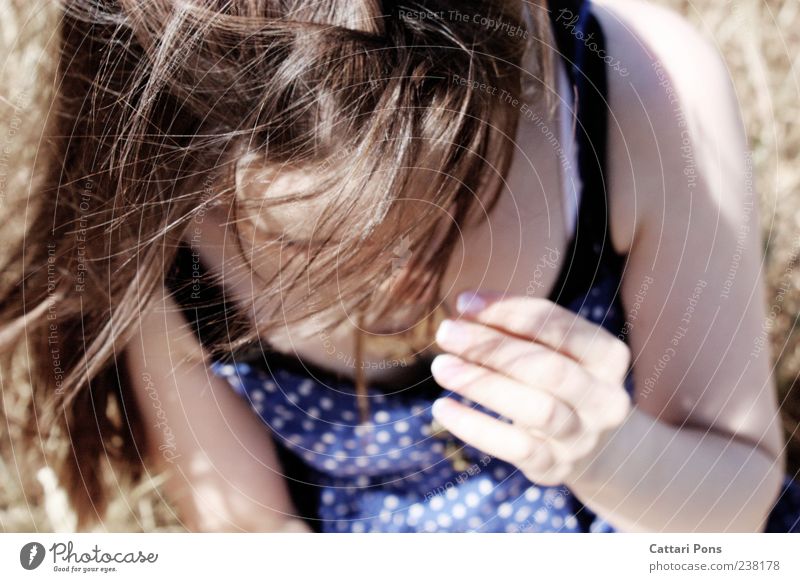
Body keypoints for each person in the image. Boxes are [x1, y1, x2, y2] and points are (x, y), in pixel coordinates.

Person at [2, 0, 798, 533]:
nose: (398, 289)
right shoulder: (166, 246)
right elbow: (254, 538)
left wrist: (609, 454)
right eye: (308, 252)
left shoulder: (641, 94)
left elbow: (739, 495)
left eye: (453, 207)